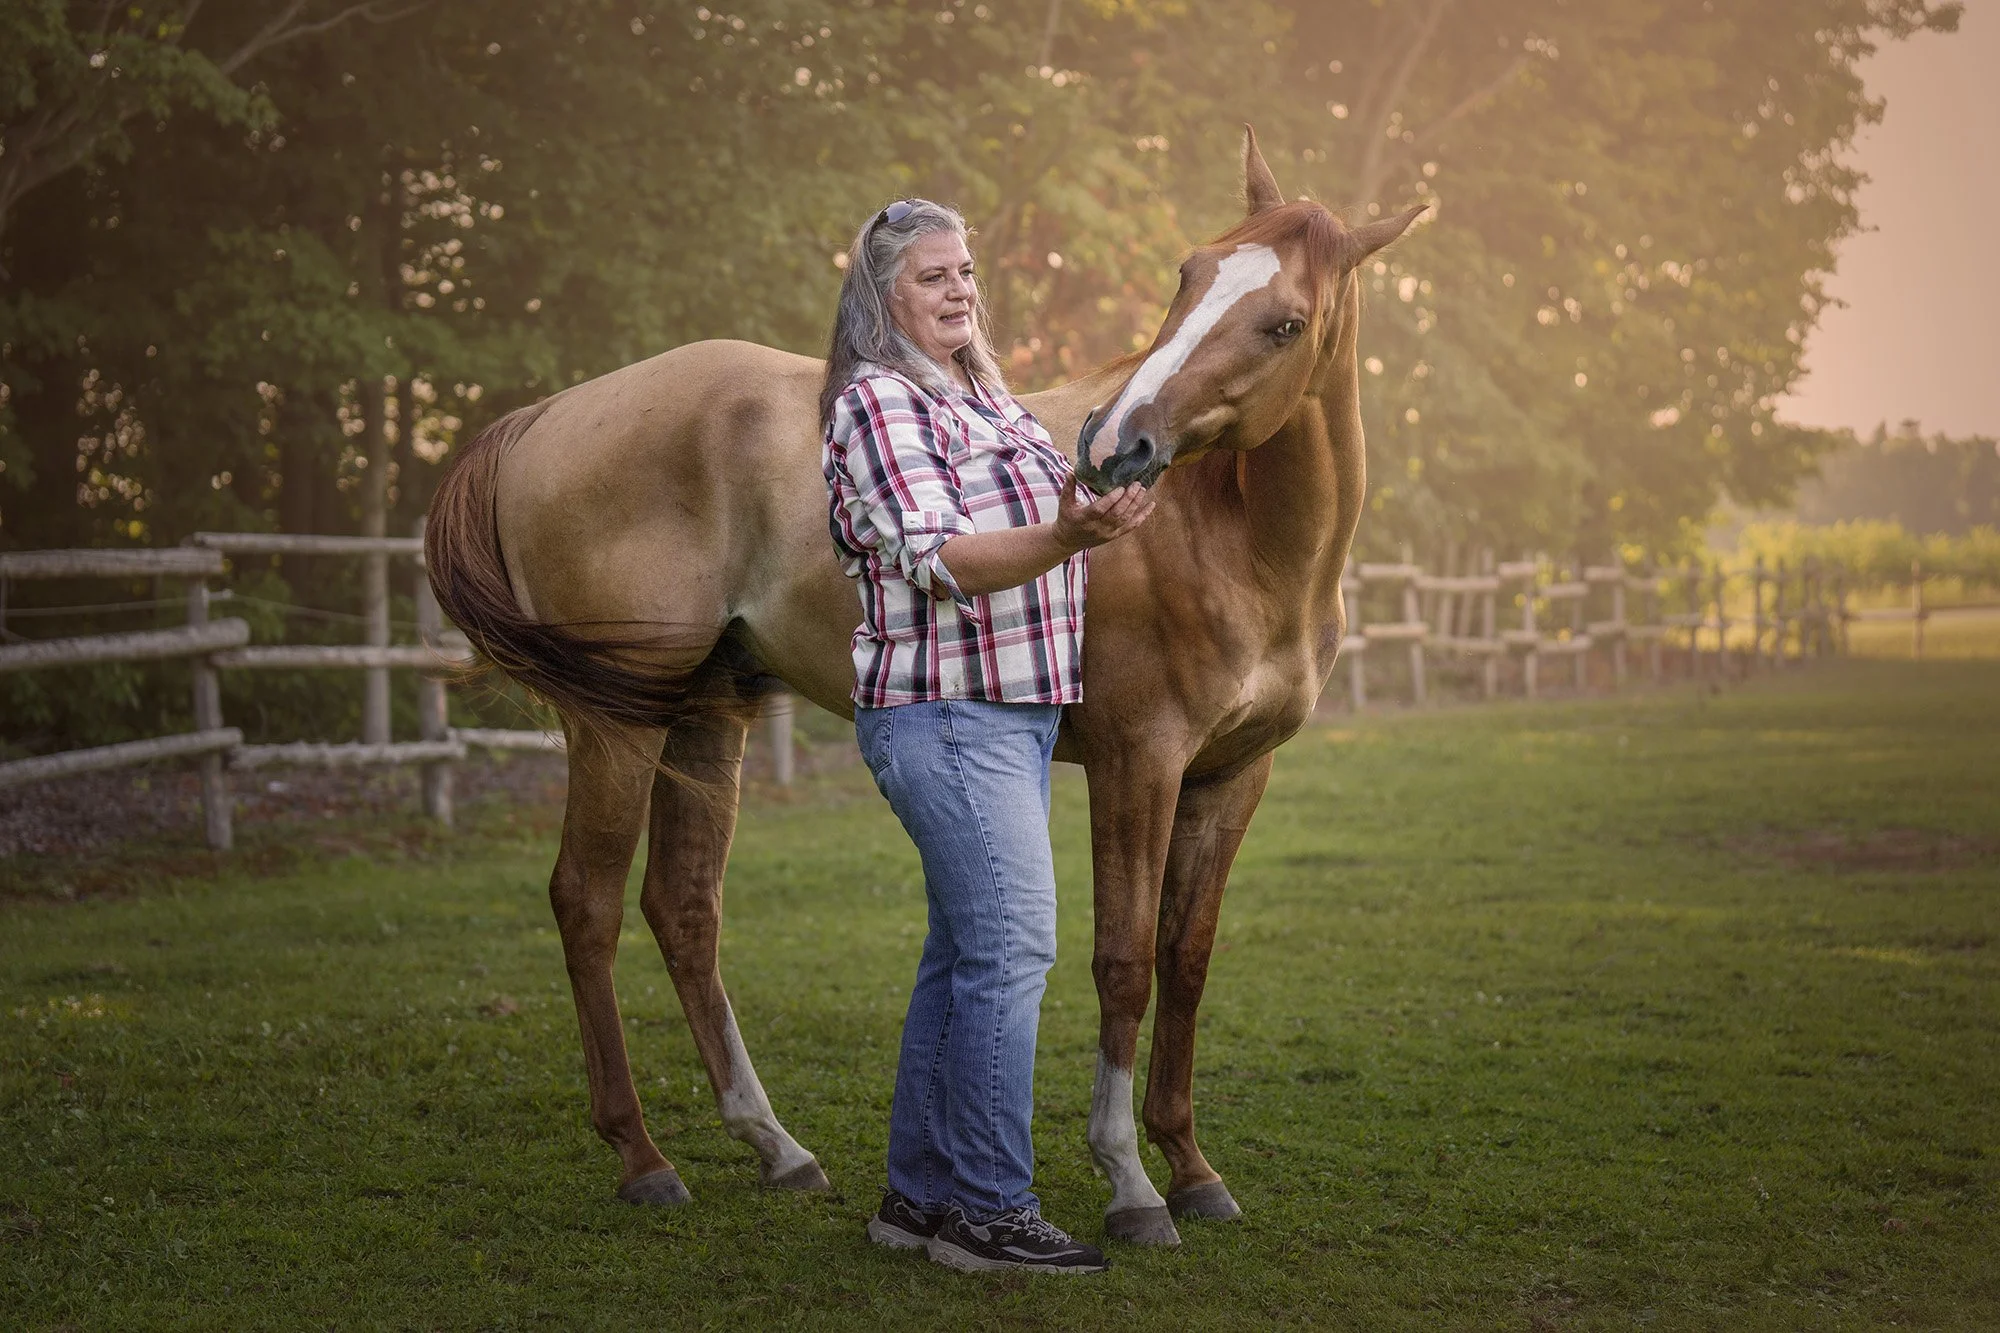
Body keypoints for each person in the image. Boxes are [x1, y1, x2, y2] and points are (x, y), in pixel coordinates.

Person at [820, 199, 1154, 1274]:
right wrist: (1063, 532)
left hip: (1013, 713)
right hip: (946, 712)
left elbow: (1040, 518)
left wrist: (1094, 507)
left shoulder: (979, 392)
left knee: (963, 951)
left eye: (964, 270)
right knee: (1011, 947)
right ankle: (986, 1211)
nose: (960, 289)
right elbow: (945, 555)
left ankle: (917, 1201)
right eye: (932, 276)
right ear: (883, 299)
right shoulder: (877, 402)